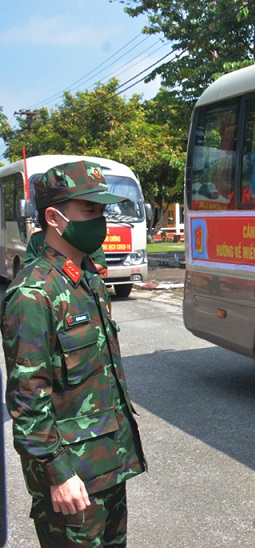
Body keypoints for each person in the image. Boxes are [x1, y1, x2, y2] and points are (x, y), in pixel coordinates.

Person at [1, 161, 146, 545]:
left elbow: (101, 372)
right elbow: (27, 401)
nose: (101, 221)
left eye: (102, 212)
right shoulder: (33, 295)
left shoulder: (88, 280)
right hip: (71, 479)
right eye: (90, 211)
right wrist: (58, 473)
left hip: (108, 461)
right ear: (54, 217)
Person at [25, 226, 108, 275]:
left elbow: (101, 266)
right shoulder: (38, 238)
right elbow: (26, 267)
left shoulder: (87, 237)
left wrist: (72, 273)